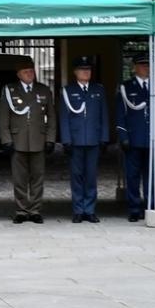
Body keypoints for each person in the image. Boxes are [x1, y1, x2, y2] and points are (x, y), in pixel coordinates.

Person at [0, 56, 56, 223]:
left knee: (38, 177)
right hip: (18, 140)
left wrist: (51, 138)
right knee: (20, 178)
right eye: (26, 71)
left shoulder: (43, 90)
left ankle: (35, 210)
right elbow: (4, 117)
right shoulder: (10, 91)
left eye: (31, 71)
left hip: (38, 139)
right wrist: (6, 139)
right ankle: (22, 210)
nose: (30, 74)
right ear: (19, 74)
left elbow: (51, 117)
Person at [117, 53, 155, 222]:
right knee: (132, 175)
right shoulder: (126, 88)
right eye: (142, 65)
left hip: (152, 139)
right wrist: (123, 136)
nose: (146, 68)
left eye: (148, 65)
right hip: (133, 138)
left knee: (151, 176)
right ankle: (134, 208)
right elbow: (120, 115)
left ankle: (150, 206)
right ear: (134, 68)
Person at [58, 57, 109, 223]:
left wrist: (104, 138)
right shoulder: (68, 90)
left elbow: (104, 116)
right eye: (82, 69)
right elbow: (64, 117)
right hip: (75, 140)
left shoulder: (98, 90)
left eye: (88, 69)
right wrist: (66, 140)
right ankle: (78, 210)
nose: (85, 72)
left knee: (91, 176)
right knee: (77, 176)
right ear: (75, 72)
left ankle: (90, 209)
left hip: (93, 140)